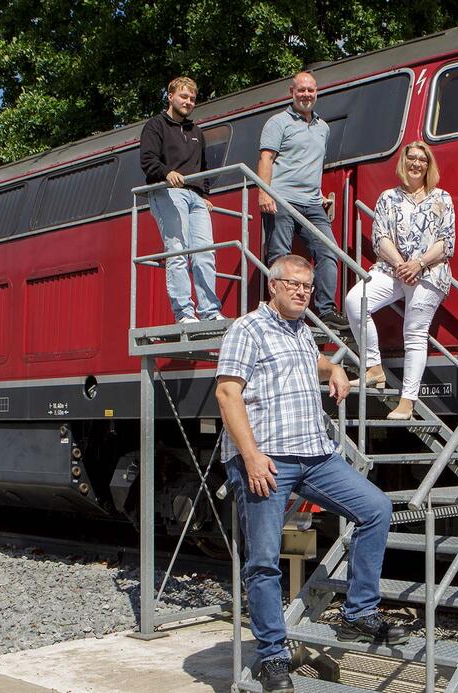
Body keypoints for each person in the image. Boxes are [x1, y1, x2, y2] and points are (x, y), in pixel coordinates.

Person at [214, 255, 410, 693]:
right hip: (267, 460)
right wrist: (249, 456)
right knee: (264, 561)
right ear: (273, 287)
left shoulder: (301, 331)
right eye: (294, 285)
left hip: (315, 455)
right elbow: (227, 393)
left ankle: (358, 613)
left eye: (307, 286)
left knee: (376, 507)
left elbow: (311, 362)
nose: (303, 292)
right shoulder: (247, 330)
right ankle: (272, 656)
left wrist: (335, 367)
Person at [343, 141, 454, 419]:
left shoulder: (442, 198)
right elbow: (380, 238)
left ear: (429, 165)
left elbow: (446, 242)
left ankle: (408, 400)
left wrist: (419, 263)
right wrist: (402, 264)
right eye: (411, 158)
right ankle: (373, 367)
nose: (416, 164)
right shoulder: (387, 198)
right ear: (403, 163)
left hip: (430, 270)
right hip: (393, 268)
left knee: (414, 333)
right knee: (355, 301)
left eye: (422, 159)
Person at [257, 71, 348, 328]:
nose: (306, 94)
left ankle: (326, 310)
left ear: (316, 92)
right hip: (282, 199)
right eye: (301, 90)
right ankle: (278, 312)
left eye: (310, 90)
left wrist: (318, 193)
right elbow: (266, 159)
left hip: (311, 203)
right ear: (292, 92)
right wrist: (264, 192)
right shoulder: (278, 122)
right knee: (280, 256)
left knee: (329, 250)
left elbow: (310, 163)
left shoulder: (323, 128)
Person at [139, 76, 221, 324]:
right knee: (178, 251)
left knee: (205, 253)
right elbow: (148, 161)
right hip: (168, 192)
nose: (188, 102)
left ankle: (209, 312)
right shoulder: (155, 126)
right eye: (184, 97)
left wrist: (205, 195)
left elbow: (204, 166)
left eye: (192, 99)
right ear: (170, 96)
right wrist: (167, 173)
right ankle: (184, 312)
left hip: (195, 197)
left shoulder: (196, 132)